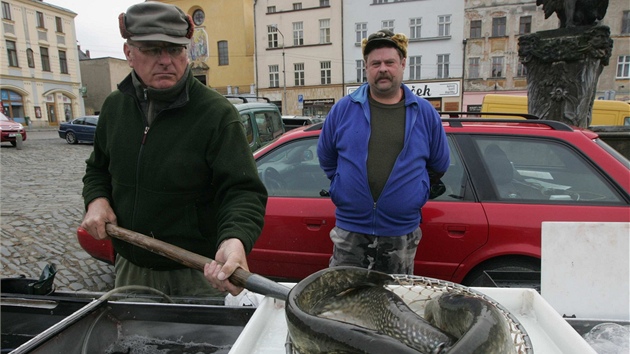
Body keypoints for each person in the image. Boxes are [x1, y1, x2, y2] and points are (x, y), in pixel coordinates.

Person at [80, 2, 267, 297]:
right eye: (153, 49)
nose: (166, 60)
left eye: (176, 49)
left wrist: (235, 239)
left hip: (197, 275)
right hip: (131, 268)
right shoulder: (115, 108)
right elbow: (98, 169)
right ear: (129, 53)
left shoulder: (216, 114)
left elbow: (242, 191)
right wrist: (97, 199)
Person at [317, 29, 450, 275]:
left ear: (402, 64)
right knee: (344, 302)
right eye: (375, 63)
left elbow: (439, 163)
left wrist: (412, 193)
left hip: (401, 231)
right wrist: (342, 186)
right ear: (366, 68)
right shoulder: (343, 109)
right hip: (351, 229)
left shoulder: (424, 113)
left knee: (395, 302)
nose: (383, 69)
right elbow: (327, 157)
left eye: (389, 62)